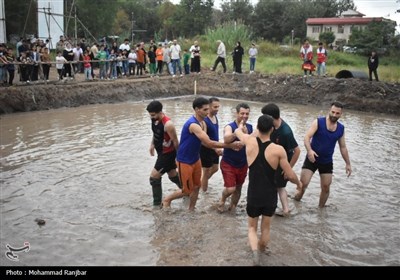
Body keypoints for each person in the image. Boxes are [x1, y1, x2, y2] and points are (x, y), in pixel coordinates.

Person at [235, 114, 302, 266]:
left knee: (252, 227)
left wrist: (241, 126)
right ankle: (262, 249)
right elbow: (289, 174)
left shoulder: (249, 142)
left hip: (253, 194)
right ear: (272, 129)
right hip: (270, 195)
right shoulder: (278, 150)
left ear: (257, 128)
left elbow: (238, 133)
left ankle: (254, 254)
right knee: (266, 228)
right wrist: (299, 184)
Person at [162, 97, 242, 211]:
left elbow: (206, 143)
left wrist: (216, 149)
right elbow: (209, 142)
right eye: (205, 110)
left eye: (208, 109)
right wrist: (230, 146)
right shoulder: (193, 124)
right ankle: (167, 199)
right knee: (187, 190)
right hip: (184, 160)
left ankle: (191, 210)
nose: (207, 112)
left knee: (197, 186)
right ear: (197, 109)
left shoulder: (203, 123)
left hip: (195, 158)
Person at [294, 101, 352, 208]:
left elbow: (343, 147)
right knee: (303, 184)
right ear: (329, 111)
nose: (334, 115)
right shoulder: (318, 122)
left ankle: (321, 211)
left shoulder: (341, 129)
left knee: (326, 187)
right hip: (312, 159)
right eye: (333, 112)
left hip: (326, 161)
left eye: (337, 113)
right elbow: (307, 138)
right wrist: (310, 151)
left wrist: (348, 164)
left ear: (341, 114)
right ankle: (296, 202)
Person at [261, 103, 300, 216]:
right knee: (270, 184)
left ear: (272, 117)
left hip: (283, 162)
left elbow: (297, 151)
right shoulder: (269, 126)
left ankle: (285, 210)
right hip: (271, 160)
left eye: (265, 116)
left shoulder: (286, 132)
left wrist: (288, 169)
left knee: (280, 186)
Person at [218, 103, 252, 212]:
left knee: (238, 188)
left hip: (243, 163)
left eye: (247, 114)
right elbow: (226, 139)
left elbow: (254, 144)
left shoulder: (250, 127)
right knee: (230, 189)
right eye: (242, 113)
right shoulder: (229, 126)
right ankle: (223, 199)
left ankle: (232, 210)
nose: (244, 116)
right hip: (228, 162)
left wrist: (246, 136)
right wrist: (238, 132)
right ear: (236, 113)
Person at [146, 100, 181, 207]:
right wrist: (152, 144)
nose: (151, 117)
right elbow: (156, 133)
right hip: (160, 152)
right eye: (150, 115)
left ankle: (157, 205)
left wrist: (178, 158)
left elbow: (175, 141)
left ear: (160, 112)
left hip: (168, 155)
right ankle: (187, 189)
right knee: (172, 174)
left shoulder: (168, 124)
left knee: (154, 177)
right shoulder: (155, 120)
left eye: (153, 115)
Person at [200, 97, 223, 192]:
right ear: (209, 107)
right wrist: (215, 148)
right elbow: (203, 140)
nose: (217, 109)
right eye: (215, 107)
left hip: (214, 147)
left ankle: (201, 183)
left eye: (218, 107)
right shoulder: (205, 121)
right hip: (206, 149)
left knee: (215, 168)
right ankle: (203, 193)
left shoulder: (215, 117)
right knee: (205, 172)